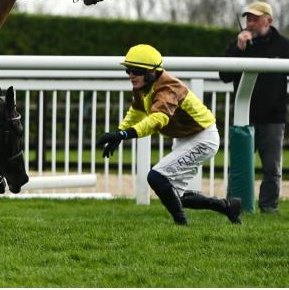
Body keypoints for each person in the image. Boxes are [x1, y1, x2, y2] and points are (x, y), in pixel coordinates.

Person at [97, 44, 242, 225]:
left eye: (136, 70)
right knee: (175, 196)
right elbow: (136, 112)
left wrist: (124, 135)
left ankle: (181, 224)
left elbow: (157, 120)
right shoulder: (143, 85)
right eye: (128, 70)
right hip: (185, 137)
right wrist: (118, 133)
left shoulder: (168, 88)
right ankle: (228, 207)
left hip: (203, 137)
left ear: (153, 72)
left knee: (156, 177)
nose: (131, 75)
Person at [220, 1, 289, 214]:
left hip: (273, 116)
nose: (250, 23)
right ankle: (235, 206)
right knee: (239, 167)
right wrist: (238, 49)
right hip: (244, 116)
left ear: (268, 20)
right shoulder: (238, 45)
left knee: (272, 168)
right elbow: (224, 75)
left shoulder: (284, 46)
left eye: (255, 19)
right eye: (248, 18)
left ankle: (269, 207)